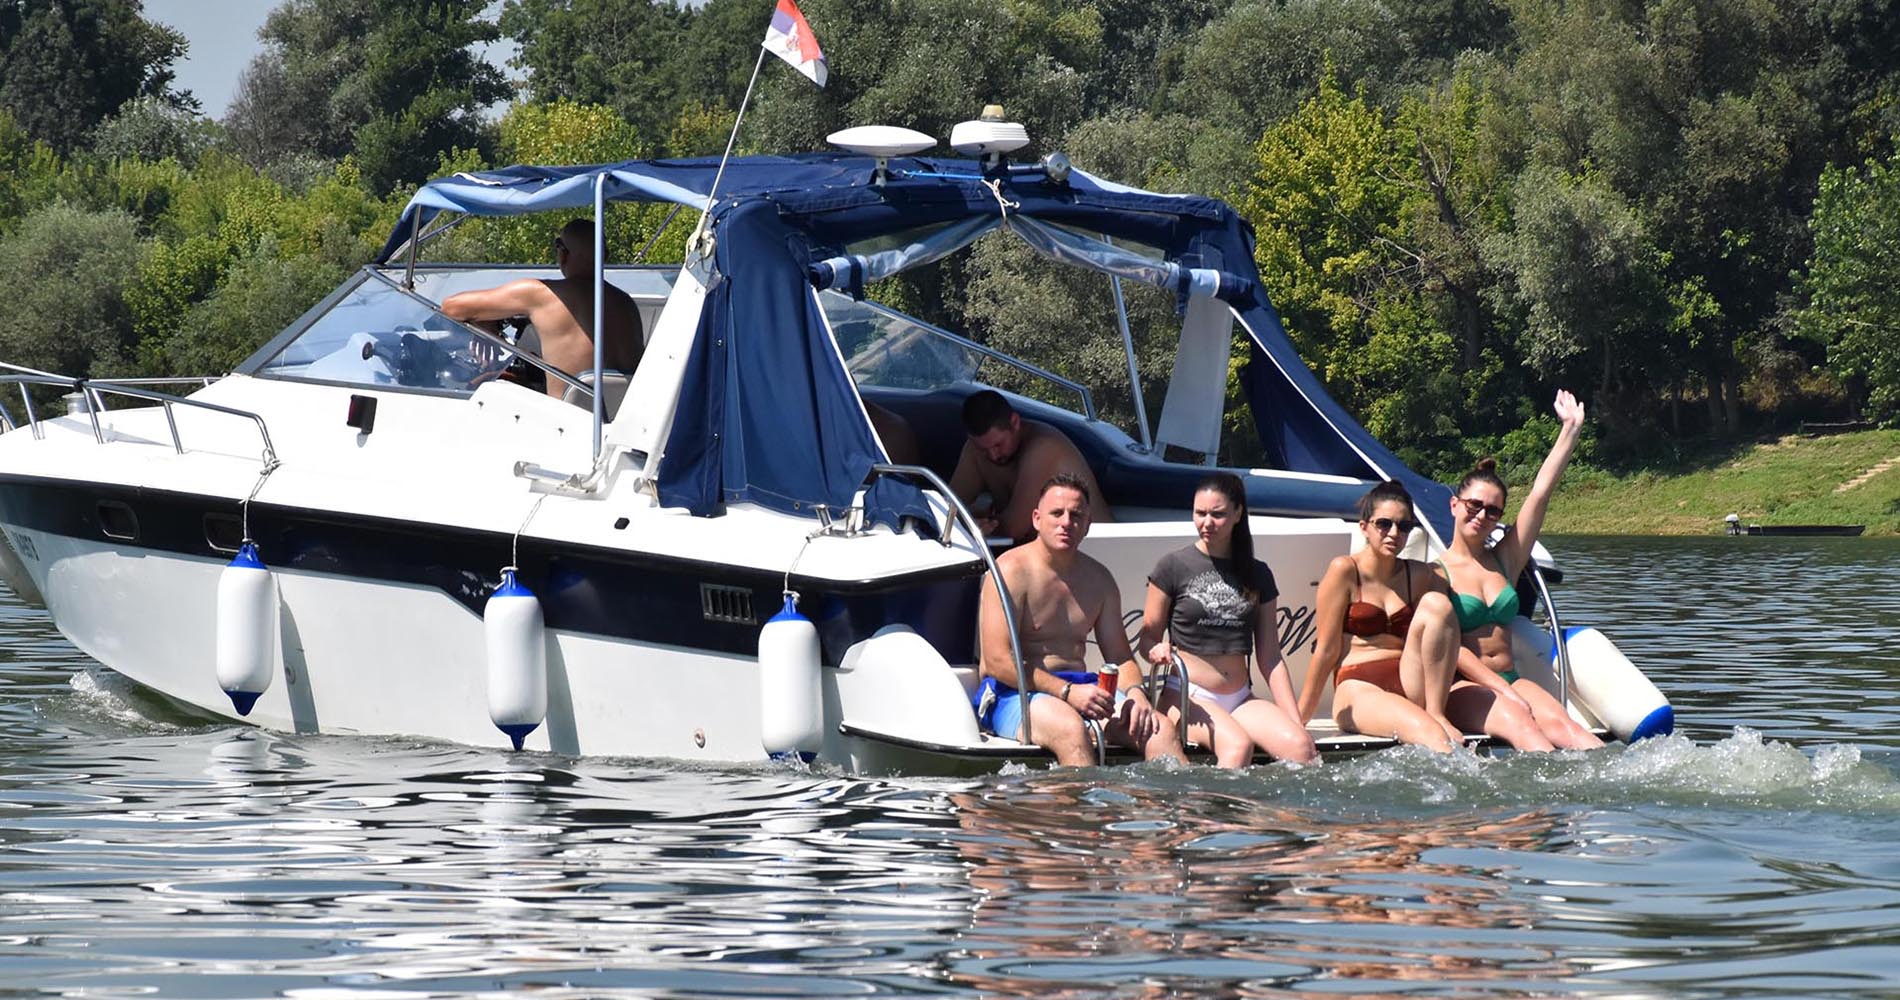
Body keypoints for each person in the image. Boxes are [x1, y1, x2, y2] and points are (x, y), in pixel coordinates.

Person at [974, 473, 1182, 766]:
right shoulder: (1009, 572)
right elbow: (997, 662)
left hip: (1081, 689)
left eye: (1076, 515)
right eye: (1056, 513)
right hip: (1012, 692)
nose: (1066, 522)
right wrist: (1067, 692)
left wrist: (1137, 695)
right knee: (1070, 729)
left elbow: (1121, 658)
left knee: (1160, 730)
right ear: (1036, 519)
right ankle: (1083, 799)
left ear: (1087, 524)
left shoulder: (1099, 580)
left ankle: (1168, 799)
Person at [1437, 390, 1604, 751]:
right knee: (1525, 729)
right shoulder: (1435, 573)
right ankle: (1545, 793)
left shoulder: (1505, 560)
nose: (1482, 515)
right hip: (1462, 686)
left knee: (1571, 730)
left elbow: (1540, 494)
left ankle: (1614, 786)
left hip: (1510, 678)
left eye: (1493, 511)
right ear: (1454, 505)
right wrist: (1502, 690)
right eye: (1473, 505)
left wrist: (1570, 430)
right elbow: (1448, 649)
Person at [1140, 472, 1318, 767]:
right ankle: (1209, 801)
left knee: (1302, 749)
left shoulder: (1258, 573)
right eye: (1200, 513)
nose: (1207, 522)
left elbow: (1270, 657)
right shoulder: (1172, 566)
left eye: (1217, 514)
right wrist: (1156, 649)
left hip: (1240, 697)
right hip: (1186, 695)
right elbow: (1147, 638)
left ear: (1237, 514)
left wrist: (1295, 721)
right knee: (1238, 746)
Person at [1296, 481, 1468, 753]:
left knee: (1438, 603)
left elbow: (1451, 636)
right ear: (1364, 527)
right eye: (1384, 524)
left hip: (1410, 680)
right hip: (1358, 685)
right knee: (1433, 736)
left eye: (1404, 526)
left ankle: (1436, 711)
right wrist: (1299, 718)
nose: (1394, 533)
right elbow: (1326, 650)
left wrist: (1502, 686)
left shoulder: (1421, 575)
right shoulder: (1344, 570)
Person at [441, 218, 645, 401]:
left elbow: (451, 306)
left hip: (567, 420)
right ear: (605, 256)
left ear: (563, 254)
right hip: (622, 419)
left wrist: (487, 322)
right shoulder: (626, 303)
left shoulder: (542, 295)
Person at [950, 389, 1111, 541]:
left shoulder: (1044, 447)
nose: (993, 455)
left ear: (1015, 423)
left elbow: (1014, 528)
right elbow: (947, 507)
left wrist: (972, 523)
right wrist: (970, 519)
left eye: (998, 445)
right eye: (983, 448)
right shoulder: (975, 451)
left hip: (1095, 550)